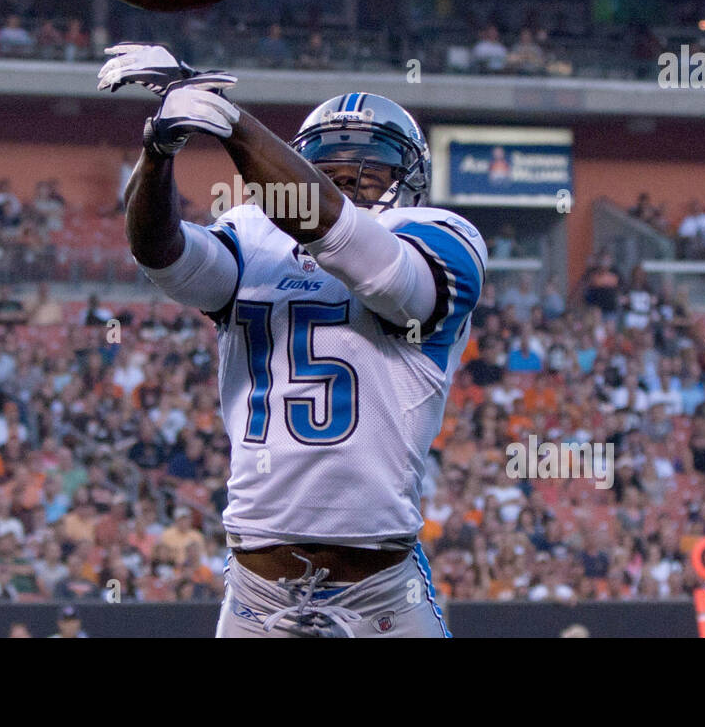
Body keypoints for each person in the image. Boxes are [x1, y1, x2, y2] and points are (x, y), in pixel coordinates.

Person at [105, 43, 485, 637]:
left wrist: (228, 118)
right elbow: (162, 254)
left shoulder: (443, 237)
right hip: (258, 598)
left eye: (371, 166)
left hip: (381, 598)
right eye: (327, 165)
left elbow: (362, 256)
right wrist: (160, 149)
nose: (347, 177)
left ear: (409, 179)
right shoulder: (252, 234)